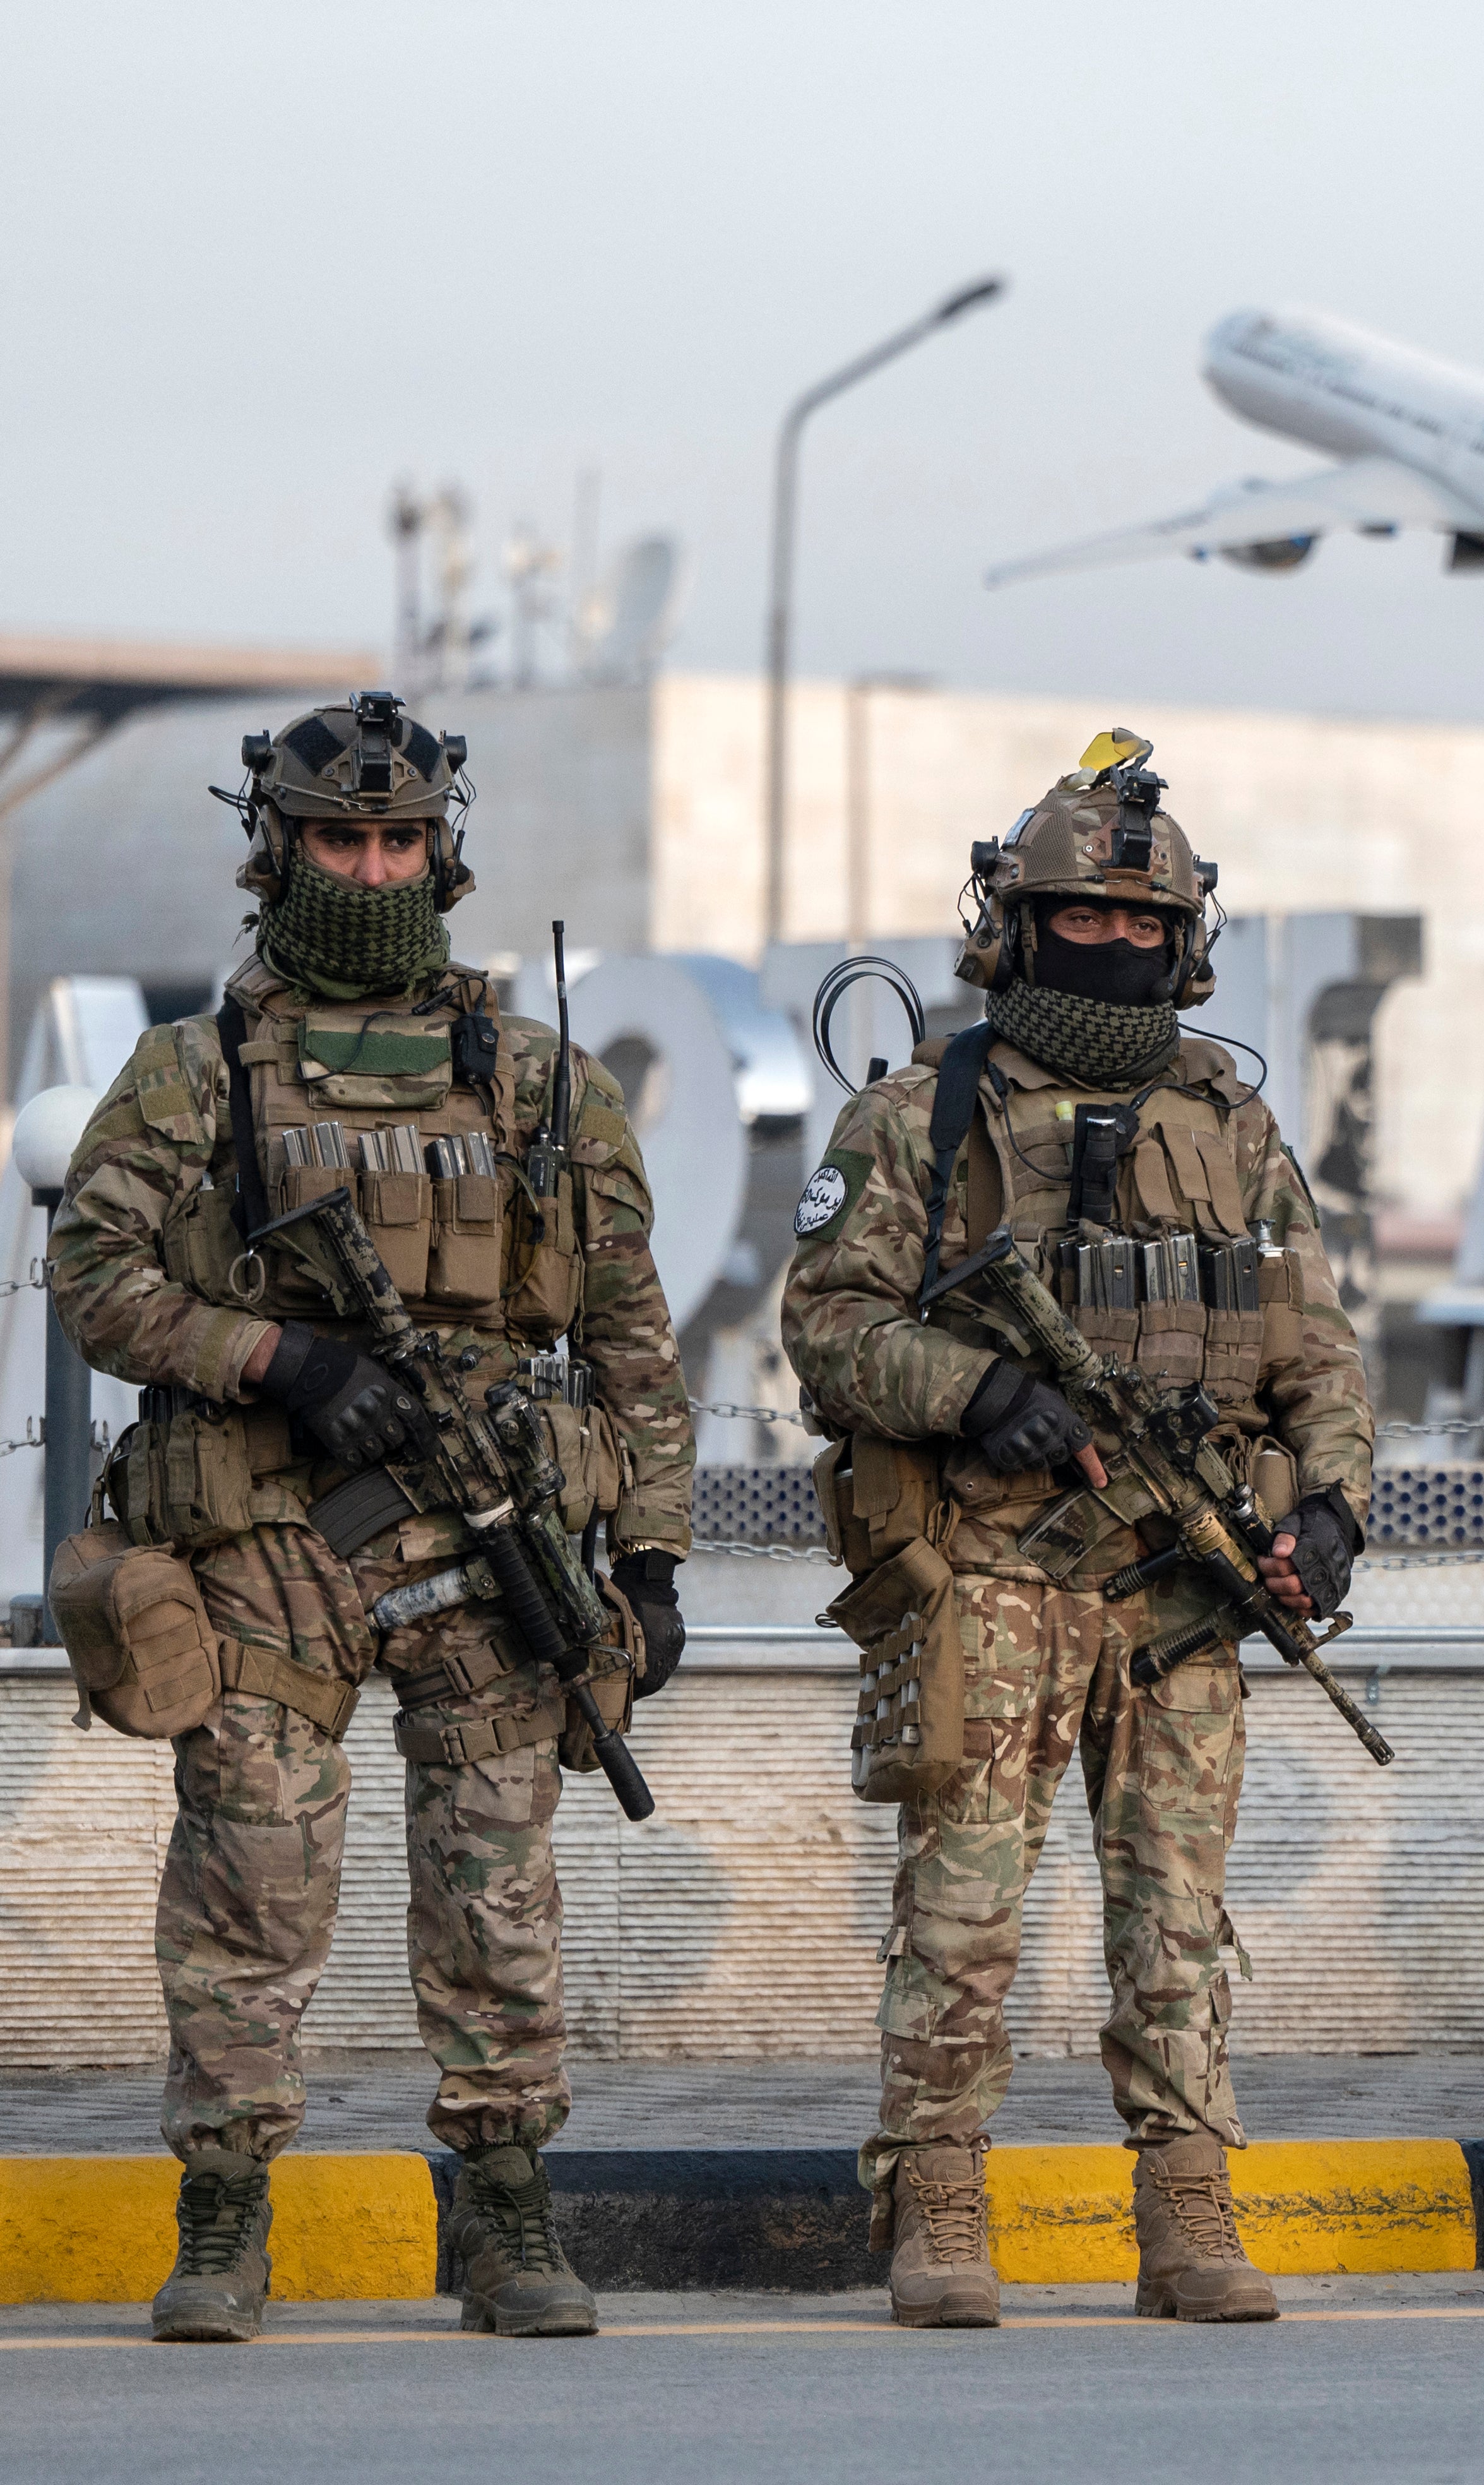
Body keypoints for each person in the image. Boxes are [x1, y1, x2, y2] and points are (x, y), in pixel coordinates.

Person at [49, 692, 692, 2342]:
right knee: (252, 1879)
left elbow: (629, 1327)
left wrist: (654, 1551)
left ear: (443, 851)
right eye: (344, 837)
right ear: (282, 847)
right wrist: (277, 1356)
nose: (374, 865)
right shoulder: (196, 1070)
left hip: (489, 1538)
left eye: (401, 838)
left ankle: (505, 2211)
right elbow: (97, 1284)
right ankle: (224, 2212)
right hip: (270, 1538)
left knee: (496, 1880)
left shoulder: (539, 1077)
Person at [781, 730, 1374, 2328]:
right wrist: (974, 1395)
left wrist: (1331, 1512)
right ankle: (937, 2204)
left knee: (1178, 1918)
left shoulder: (1232, 1126)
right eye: (1079, 921)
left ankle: (1186, 2212)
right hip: (992, 1572)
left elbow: (1318, 1350)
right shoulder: (924, 1114)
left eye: (1137, 926)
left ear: (1183, 943)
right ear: (1016, 927)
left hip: (1181, 1582)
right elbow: (827, 1327)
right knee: (962, 1912)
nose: (1109, 946)